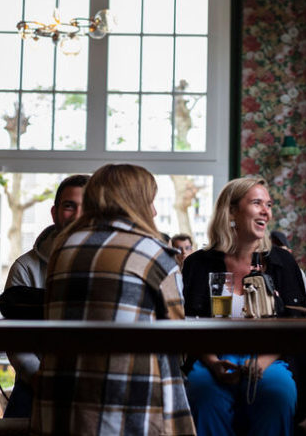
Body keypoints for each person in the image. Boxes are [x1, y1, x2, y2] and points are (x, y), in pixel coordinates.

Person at [30, 164, 195, 435]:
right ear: (133, 202)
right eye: (149, 201)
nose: (153, 211)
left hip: (60, 405)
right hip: (127, 407)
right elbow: (177, 339)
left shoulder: (62, 249)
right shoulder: (154, 253)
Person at [181, 176, 306, 435]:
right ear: (231, 212)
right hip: (213, 358)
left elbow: (297, 326)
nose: (266, 211)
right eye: (257, 203)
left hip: (269, 359)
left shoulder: (282, 262)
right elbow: (186, 323)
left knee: (278, 394)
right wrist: (213, 362)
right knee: (203, 392)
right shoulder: (198, 264)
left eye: (269, 204)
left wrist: (262, 363)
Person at [2, 174, 88, 418]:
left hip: (94, 381)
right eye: (69, 206)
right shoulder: (25, 267)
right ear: (55, 213)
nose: (78, 215)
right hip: (37, 381)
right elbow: (14, 337)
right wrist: (40, 378)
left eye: (87, 207)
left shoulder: (112, 266)